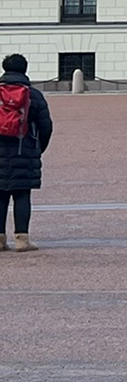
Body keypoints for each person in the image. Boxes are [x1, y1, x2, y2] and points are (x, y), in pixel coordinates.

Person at [0, 54, 54, 252]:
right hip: (25, 149)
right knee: (22, 194)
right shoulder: (34, 95)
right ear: (25, 69)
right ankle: (22, 239)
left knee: (0, 195)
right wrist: (39, 148)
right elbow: (46, 126)